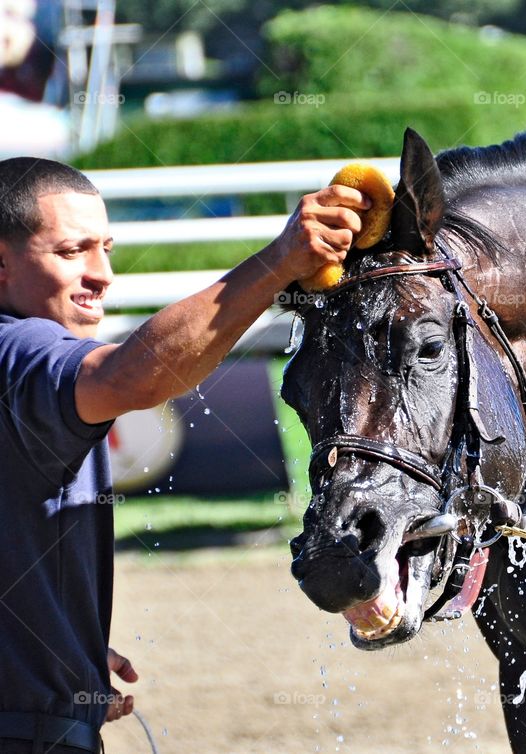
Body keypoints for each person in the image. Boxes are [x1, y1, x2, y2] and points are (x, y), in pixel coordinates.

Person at [0, 156, 368, 752]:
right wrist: (278, 263)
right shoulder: (19, 348)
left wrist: (46, 644)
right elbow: (131, 378)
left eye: (107, 248)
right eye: (72, 251)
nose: (102, 274)